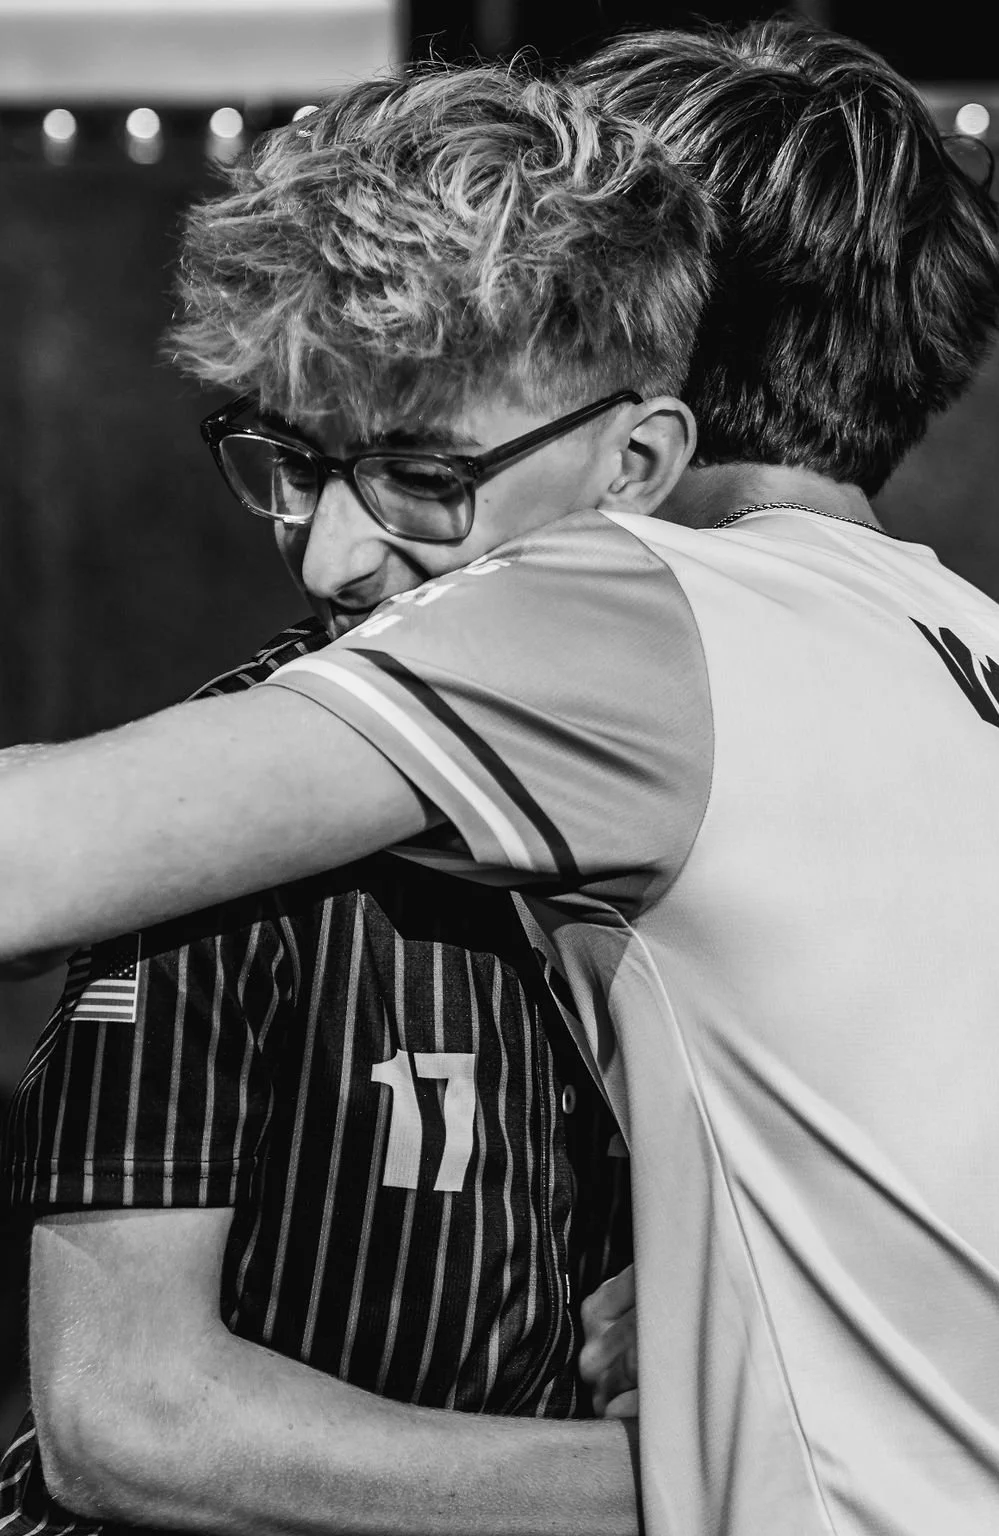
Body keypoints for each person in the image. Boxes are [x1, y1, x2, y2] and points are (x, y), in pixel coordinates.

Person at [1, 18, 999, 1536]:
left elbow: (30, 851)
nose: (338, 547)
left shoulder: (634, 616)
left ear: (643, 399)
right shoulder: (980, 650)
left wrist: (716, 1444)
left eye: (426, 469)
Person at [1, 60, 703, 1536]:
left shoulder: (777, 771)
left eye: (424, 480)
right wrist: (716, 1487)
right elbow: (123, 1419)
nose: (328, 563)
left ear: (639, 463)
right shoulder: (224, 804)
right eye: (292, 468)